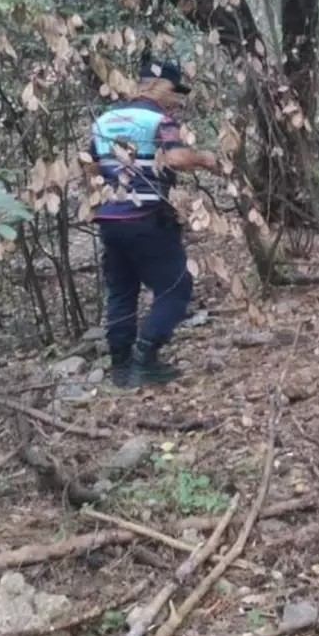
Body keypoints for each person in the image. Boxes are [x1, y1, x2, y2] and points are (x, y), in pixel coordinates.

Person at [87, 60, 219, 389]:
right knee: (177, 287)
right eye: (175, 92)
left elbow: (89, 166)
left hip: (110, 217)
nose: (176, 100)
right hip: (146, 218)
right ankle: (146, 358)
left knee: (122, 290)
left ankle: (120, 366)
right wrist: (204, 159)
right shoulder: (159, 120)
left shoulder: (104, 119)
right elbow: (175, 158)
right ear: (157, 85)